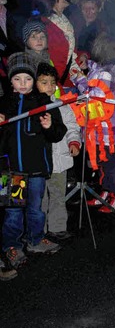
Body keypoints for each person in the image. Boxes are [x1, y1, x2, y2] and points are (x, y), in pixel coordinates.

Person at [0, 52, 67, 268]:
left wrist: (49, 127)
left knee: (36, 208)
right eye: (17, 79)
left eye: (28, 79)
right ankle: (11, 246)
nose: (23, 84)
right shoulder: (4, 104)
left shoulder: (44, 102)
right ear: (10, 80)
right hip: (11, 171)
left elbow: (59, 132)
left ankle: (36, 240)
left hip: (37, 168)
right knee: (13, 210)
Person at [37, 63, 81, 241]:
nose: (49, 86)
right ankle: (39, 229)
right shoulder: (31, 108)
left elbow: (72, 126)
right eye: (44, 82)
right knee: (39, 197)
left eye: (52, 82)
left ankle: (57, 227)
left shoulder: (62, 106)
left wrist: (74, 142)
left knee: (57, 194)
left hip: (59, 159)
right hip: (38, 161)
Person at [81, 33, 115, 213]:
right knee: (102, 162)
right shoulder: (102, 68)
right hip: (100, 128)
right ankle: (105, 193)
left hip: (107, 129)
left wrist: (79, 81)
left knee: (109, 164)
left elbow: (95, 95)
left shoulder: (106, 72)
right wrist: (84, 65)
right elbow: (93, 70)